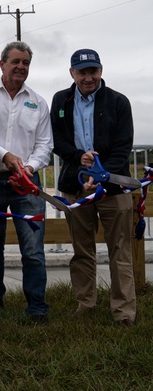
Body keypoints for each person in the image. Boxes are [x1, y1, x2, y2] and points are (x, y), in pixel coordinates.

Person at [50, 49, 136, 326]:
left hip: (114, 187)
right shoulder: (60, 100)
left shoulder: (119, 102)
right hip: (76, 187)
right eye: (82, 72)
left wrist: (101, 173)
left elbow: (124, 146)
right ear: (72, 73)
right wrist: (79, 158)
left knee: (120, 251)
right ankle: (85, 304)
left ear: (101, 71)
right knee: (81, 249)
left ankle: (123, 312)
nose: (88, 77)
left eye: (93, 71)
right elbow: (58, 141)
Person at [0, 42, 52, 323]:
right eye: (15, 61)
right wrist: (5, 156)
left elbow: (44, 144)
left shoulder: (38, 102)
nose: (21, 67)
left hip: (26, 184)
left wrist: (28, 167)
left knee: (32, 247)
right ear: (2, 63)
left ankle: (37, 306)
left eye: (26, 63)